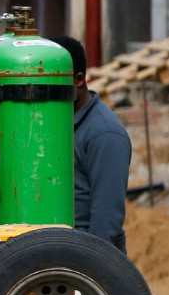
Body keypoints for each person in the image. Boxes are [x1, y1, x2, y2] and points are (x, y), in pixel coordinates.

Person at [50, 36, 132, 253]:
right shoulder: (55, 124)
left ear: (78, 80)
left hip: (85, 259)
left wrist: (86, 269)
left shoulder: (105, 134)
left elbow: (105, 225)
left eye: (54, 84)